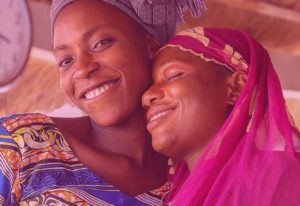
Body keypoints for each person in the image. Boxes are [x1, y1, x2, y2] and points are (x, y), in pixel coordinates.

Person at [0, 0, 206, 205]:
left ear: (149, 43)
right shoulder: (19, 145)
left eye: (100, 43)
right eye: (66, 61)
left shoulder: (195, 177)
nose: (81, 69)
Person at [142, 27, 300, 205]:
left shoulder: (283, 178)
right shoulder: (174, 192)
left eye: (173, 75)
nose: (147, 96)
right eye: (149, 85)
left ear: (237, 88)